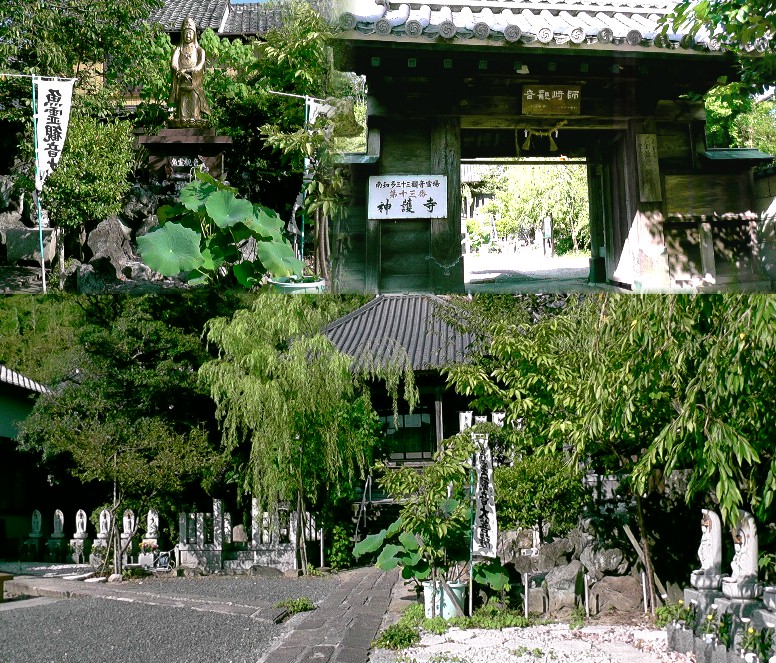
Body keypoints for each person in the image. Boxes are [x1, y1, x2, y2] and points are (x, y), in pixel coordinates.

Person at [168, 17, 210, 122]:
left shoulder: (199, 50)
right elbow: (173, 63)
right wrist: (179, 70)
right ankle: (181, 118)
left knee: (194, 101)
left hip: (194, 80)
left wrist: (188, 70)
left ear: (194, 34)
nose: (188, 35)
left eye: (190, 33)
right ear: (182, 34)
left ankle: (195, 117)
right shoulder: (179, 49)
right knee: (182, 103)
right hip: (182, 80)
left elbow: (200, 65)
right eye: (186, 33)